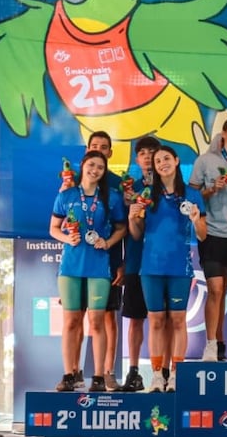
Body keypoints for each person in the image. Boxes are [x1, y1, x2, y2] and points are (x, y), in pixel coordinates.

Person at [128, 145, 207, 392]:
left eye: (166, 158)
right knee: (156, 321)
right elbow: (137, 234)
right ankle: (156, 376)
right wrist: (133, 217)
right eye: (157, 160)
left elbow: (203, 236)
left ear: (176, 160)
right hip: (150, 267)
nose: (162, 163)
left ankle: (175, 375)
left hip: (179, 267)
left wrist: (196, 220)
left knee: (177, 320)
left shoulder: (192, 195)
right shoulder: (147, 194)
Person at [50, 150, 127, 392]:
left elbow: (122, 228)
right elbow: (53, 228)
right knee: (72, 321)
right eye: (91, 165)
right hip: (71, 267)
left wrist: (108, 242)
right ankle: (68, 374)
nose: (95, 170)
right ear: (83, 165)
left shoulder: (111, 198)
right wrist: (66, 237)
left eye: (100, 168)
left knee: (96, 321)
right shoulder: (67, 195)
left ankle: (98, 377)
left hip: (98, 266)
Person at [189, 117, 227, 362]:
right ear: (224, 134)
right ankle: (211, 344)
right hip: (212, 233)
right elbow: (192, 195)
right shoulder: (205, 161)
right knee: (215, 290)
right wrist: (211, 188)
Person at [117, 136, 163, 391]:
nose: (147, 157)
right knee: (135, 319)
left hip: (164, 264)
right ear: (137, 159)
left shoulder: (170, 185)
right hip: (136, 261)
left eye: (152, 152)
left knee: (164, 319)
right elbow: (122, 228)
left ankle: (166, 371)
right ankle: (133, 371)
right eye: (142, 153)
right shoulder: (129, 189)